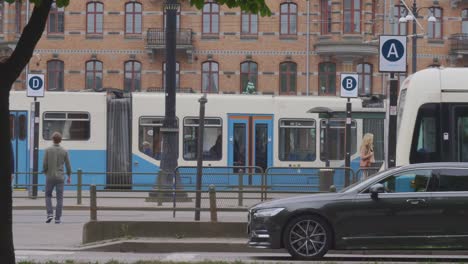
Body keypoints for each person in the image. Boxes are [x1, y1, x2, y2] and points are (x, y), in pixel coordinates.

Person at [43, 132, 72, 224]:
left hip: (50, 176)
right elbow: (68, 165)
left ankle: (49, 214)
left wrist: (45, 171)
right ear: (60, 140)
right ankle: (58, 218)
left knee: (48, 195)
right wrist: (69, 176)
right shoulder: (64, 151)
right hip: (60, 177)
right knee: (59, 198)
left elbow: (44, 164)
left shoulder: (47, 150)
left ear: (52, 139)